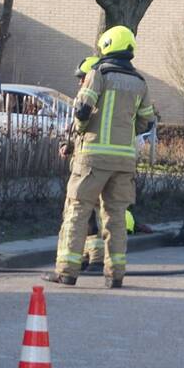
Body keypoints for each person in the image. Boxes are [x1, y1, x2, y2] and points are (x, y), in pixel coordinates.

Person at [44, 26, 156, 288]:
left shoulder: (99, 74)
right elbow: (147, 121)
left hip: (93, 157)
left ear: (107, 45)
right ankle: (115, 273)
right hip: (124, 160)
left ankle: (67, 270)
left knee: (77, 210)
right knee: (116, 216)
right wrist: (126, 134)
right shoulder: (140, 81)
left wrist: (81, 133)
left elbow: (82, 109)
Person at [62, 56, 106, 273]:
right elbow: (77, 131)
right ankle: (88, 257)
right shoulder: (88, 98)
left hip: (92, 164)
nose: (80, 83)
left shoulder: (96, 102)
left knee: (92, 213)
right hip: (82, 162)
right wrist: (68, 145)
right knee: (87, 215)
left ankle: (96, 259)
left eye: (82, 78)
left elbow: (85, 126)